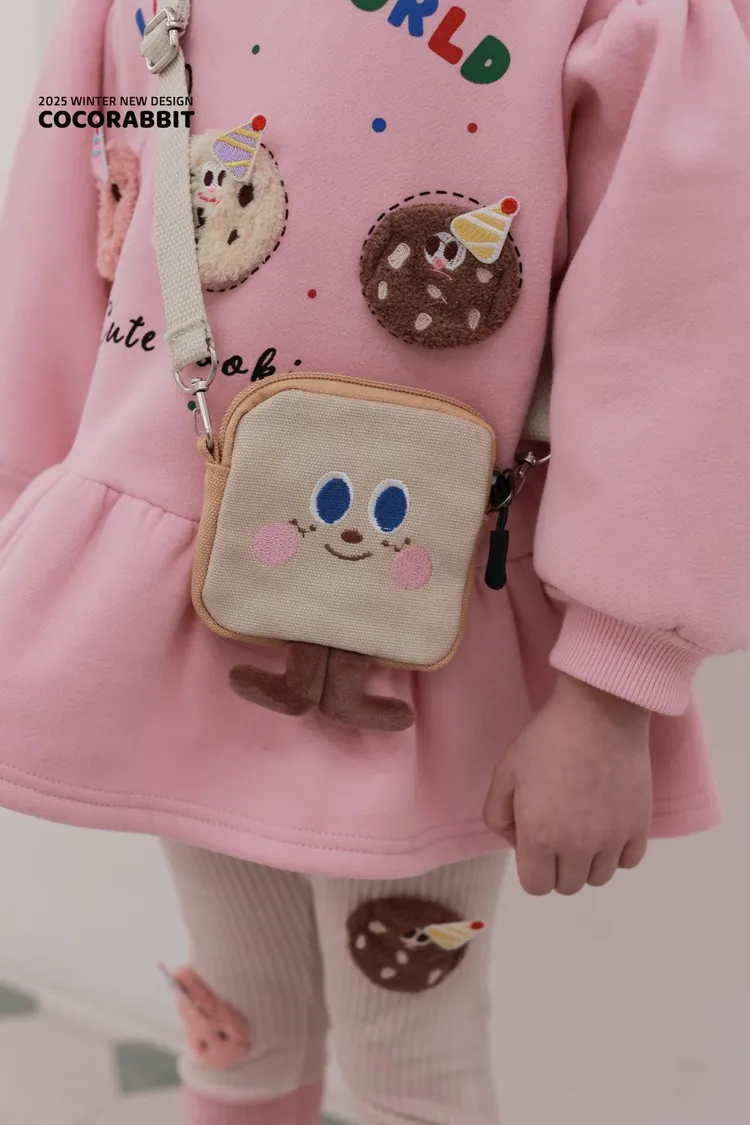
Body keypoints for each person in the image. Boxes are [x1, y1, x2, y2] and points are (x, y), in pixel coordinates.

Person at [0, 0, 747, 1122]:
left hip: (427, 618)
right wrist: (30, 513)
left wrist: (615, 684)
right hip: (177, 591)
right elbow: (77, 197)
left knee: (409, 1049)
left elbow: (678, 303)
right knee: (239, 1014)